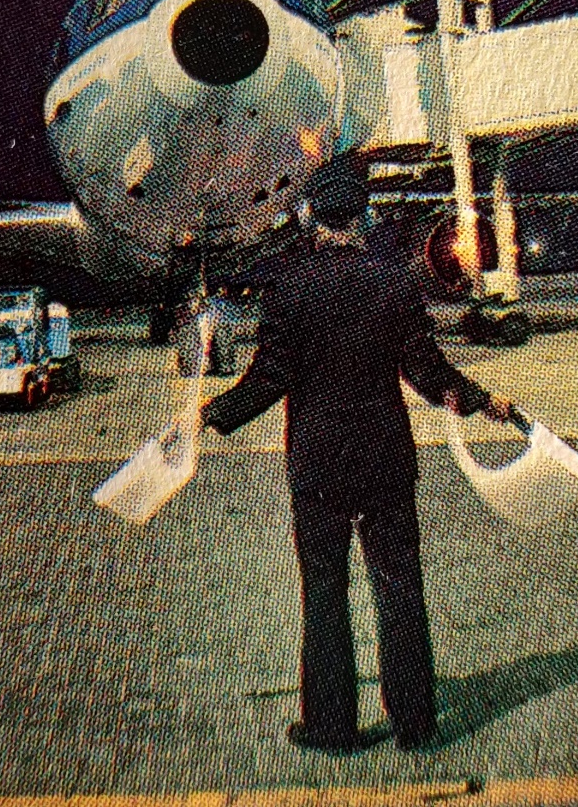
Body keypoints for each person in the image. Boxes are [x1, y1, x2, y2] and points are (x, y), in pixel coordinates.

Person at [200, 156, 511, 755]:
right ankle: (416, 725)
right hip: (385, 457)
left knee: (324, 591)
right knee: (399, 587)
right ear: (364, 215)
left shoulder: (289, 286)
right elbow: (426, 371)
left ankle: (332, 727)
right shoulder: (395, 279)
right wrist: (478, 400)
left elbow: (270, 377)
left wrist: (212, 414)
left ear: (312, 215)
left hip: (318, 461)